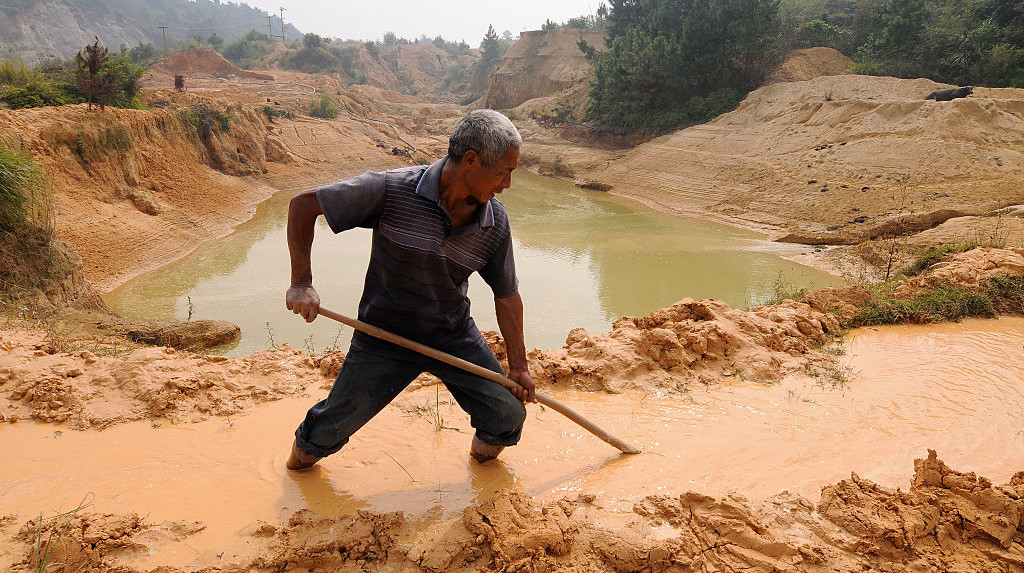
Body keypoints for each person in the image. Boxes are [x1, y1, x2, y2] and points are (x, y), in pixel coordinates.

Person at [284, 109, 536, 471]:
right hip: (383, 335)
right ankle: (294, 473)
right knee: (320, 437)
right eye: (503, 171)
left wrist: (520, 366)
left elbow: (507, 296)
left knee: (507, 415)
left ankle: (479, 471)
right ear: (470, 160)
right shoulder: (391, 189)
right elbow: (303, 205)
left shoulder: (494, 222)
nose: (507, 184)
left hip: (451, 335)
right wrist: (301, 282)